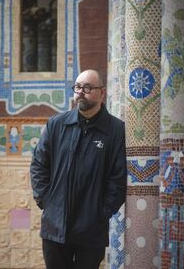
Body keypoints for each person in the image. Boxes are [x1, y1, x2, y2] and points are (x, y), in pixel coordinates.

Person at [30, 69, 127, 269]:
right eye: (78, 87)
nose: (81, 91)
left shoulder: (116, 130)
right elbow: (39, 164)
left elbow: (118, 178)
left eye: (88, 87)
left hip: (91, 232)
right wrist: (45, 200)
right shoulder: (57, 124)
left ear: (102, 92)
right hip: (55, 228)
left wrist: (103, 212)